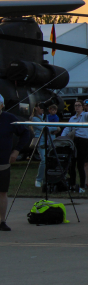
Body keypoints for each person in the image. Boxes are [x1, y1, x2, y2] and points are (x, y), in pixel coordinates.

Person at [0, 94, 33, 231]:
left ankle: (1, 221)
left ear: (1, 105)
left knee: (2, 192)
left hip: (3, 162)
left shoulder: (9, 119)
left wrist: (16, 151)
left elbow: (26, 133)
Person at [62, 100, 88, 193]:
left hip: (83, 142)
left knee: (80, 164)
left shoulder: (85, 116)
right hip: (74, 141)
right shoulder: (72, 118)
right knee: (72, 164)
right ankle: (72, 185)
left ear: (82, 107)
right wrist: (62, 138)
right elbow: (67, 128)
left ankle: (82, 186)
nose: (77, 107)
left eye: (79, 105)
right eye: (75, 105)